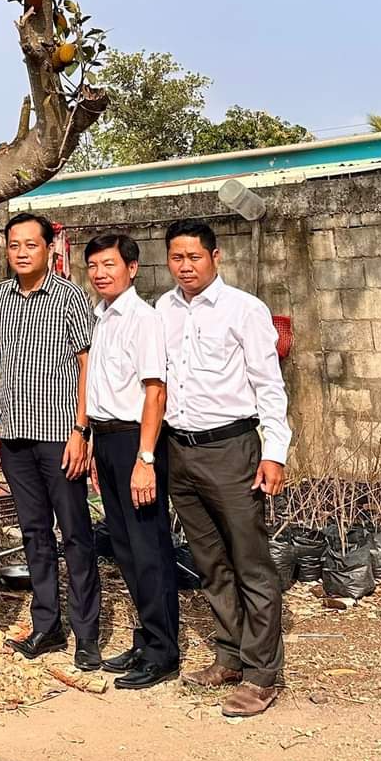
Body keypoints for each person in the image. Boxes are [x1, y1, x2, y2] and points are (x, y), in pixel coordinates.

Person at [157, 218, 291, 719]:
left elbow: (269, 384)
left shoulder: (244, 309)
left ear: (215, 257)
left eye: (194, 257)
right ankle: (229, 655)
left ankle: (261, 674)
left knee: (250, 562)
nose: (185, 266)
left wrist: (274, 451)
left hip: (232, 449)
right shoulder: (163, 309)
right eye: (176, 257)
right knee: (209, 562)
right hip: (180, 451)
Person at [0, 212, 102, 670]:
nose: (21, 252)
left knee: (75, 534)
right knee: (34, 533)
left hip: (60, 435)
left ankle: (86, 634)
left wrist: (81, 430)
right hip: (14, 436)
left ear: (49, 248)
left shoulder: (70, 297)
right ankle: (46, 624)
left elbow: (86, 364)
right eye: (14, 245)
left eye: (30, 244)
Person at [85, 232, 179, 689]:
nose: (100, 273)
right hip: (106, 440)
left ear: (132, 268)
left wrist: (145, 458)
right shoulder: (101, 317)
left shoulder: (143, 319)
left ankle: (163, 651)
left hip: (134, 442)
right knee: (123, 547)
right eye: (93, 266)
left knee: (148, 548)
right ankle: (146, 638)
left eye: (109, 264)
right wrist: (91, 443)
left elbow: (154, 391)